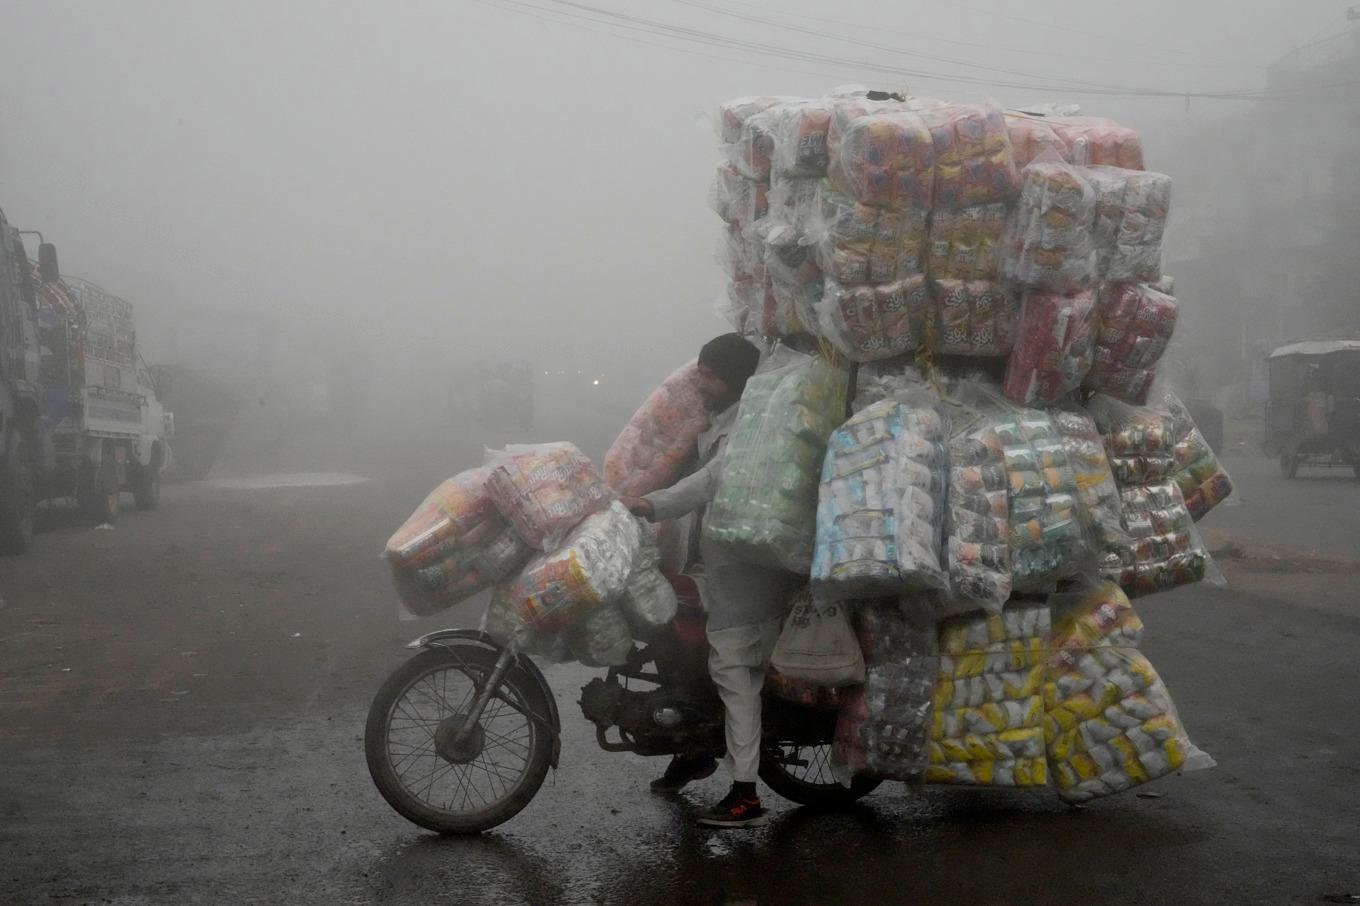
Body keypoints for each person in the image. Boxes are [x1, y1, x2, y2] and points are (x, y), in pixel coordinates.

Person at [621, 333, 795, 829]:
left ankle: (745, 795)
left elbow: (713, 480)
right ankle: (693, 749)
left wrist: (651, 503)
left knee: (734, 671)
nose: (700, 383)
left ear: (734, 379)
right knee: (670, 634)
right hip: (711, 565)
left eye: (710, 375)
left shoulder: (752, 426)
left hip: (745, 575)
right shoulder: (718, 420)